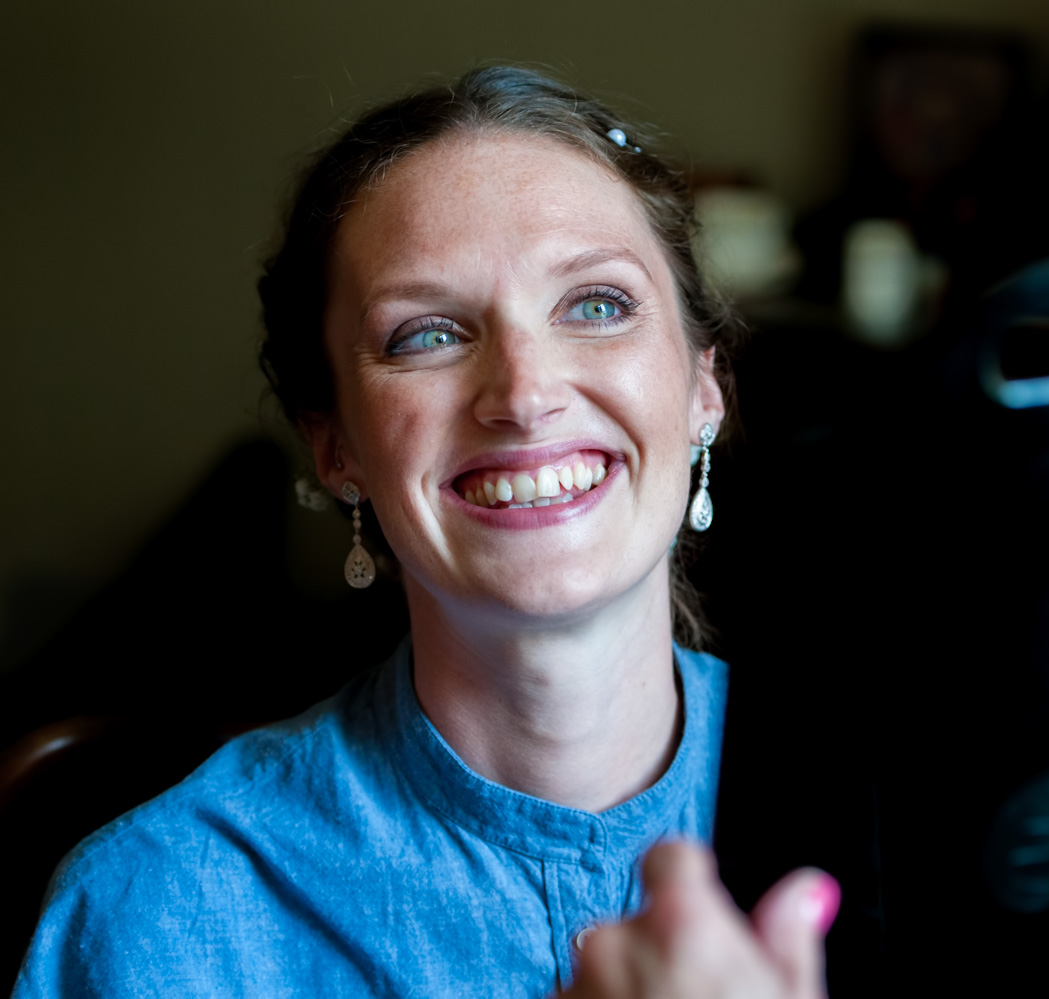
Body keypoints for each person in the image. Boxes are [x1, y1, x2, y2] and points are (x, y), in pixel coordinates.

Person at [12, 66, 872, 998]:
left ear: (706, 386)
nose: (525, 393)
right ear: (334, 443)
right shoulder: (157, 913)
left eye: (597, 304)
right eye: (426, 333)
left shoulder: (892, 799)